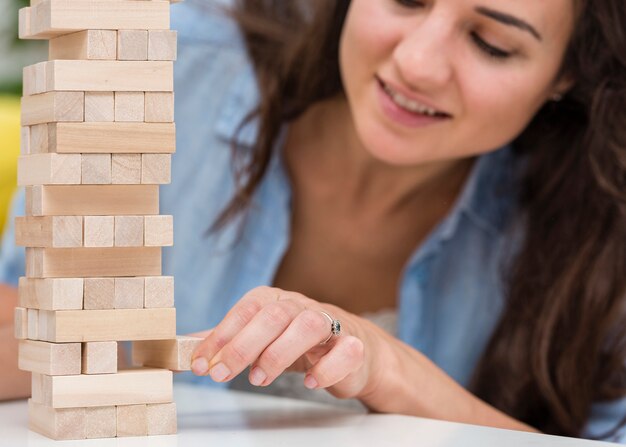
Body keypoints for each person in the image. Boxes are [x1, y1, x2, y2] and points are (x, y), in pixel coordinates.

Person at [1, 0, 624, 441]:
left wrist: (389, 370)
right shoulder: (152, 64)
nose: (419, 64)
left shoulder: (597, 236)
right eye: (405, 0)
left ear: (566, 72)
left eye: (492, 43)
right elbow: (21, 309)